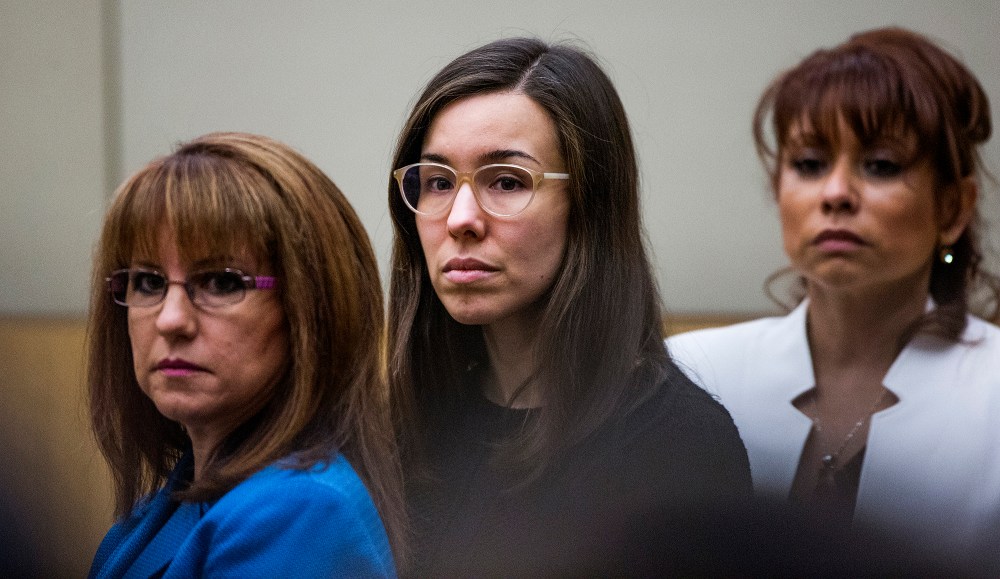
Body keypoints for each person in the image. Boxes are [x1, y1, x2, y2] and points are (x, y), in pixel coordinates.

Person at [386, 37, 752, 576]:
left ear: (588, 205)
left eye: (507, 181)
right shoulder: (402, 422)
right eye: (438, 182)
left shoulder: (682, 447)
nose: (461, 218)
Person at [667, 27, 1000, 570]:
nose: (836, 193)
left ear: (954, 209)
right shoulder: (690, 375)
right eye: (810, 163)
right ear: (778, 190)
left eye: (882, 165)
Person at [87, 132, 403, 577]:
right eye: (149, 282)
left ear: (311, 313)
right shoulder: (169, 503)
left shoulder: (301, 512)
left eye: (221, 282)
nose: (170, 319)